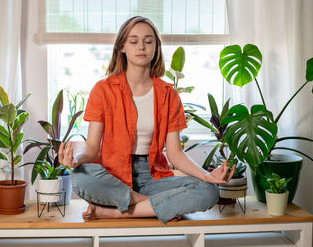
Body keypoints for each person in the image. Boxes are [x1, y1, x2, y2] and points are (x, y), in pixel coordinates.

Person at [59, 16, 235, 223]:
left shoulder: (169, 95)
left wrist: (207, 176)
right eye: (133, 41)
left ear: (155, 48)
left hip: (151, 177)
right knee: (81, 175)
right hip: (111, 174)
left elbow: (175, 154)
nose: (141, 46)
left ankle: (112, 212)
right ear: (122, 47)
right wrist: (75, 160)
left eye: (148, 41)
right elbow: (91, 147)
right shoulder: (103, 90)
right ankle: (155, 205)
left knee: (208, 191)